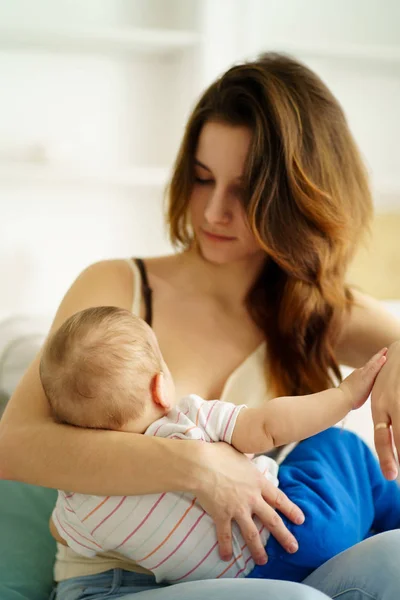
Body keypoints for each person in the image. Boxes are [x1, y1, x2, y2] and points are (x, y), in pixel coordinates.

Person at [1, 51, 400, 600]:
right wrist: (197, 465)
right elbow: (15, 444)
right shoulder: (119, 287)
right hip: (123, 583)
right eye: (201, 178)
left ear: (293, 196)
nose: (213, 212)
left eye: (243, 190)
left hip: (263, 569)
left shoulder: (313, 308)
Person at [40, 305, 399, 585]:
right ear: (160, 387)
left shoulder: (81, 501)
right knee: (333, 443)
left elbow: (60, 533)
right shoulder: (186, 419)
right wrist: (343, 394)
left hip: (249, 579)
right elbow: (269, 426)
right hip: (300, 525)